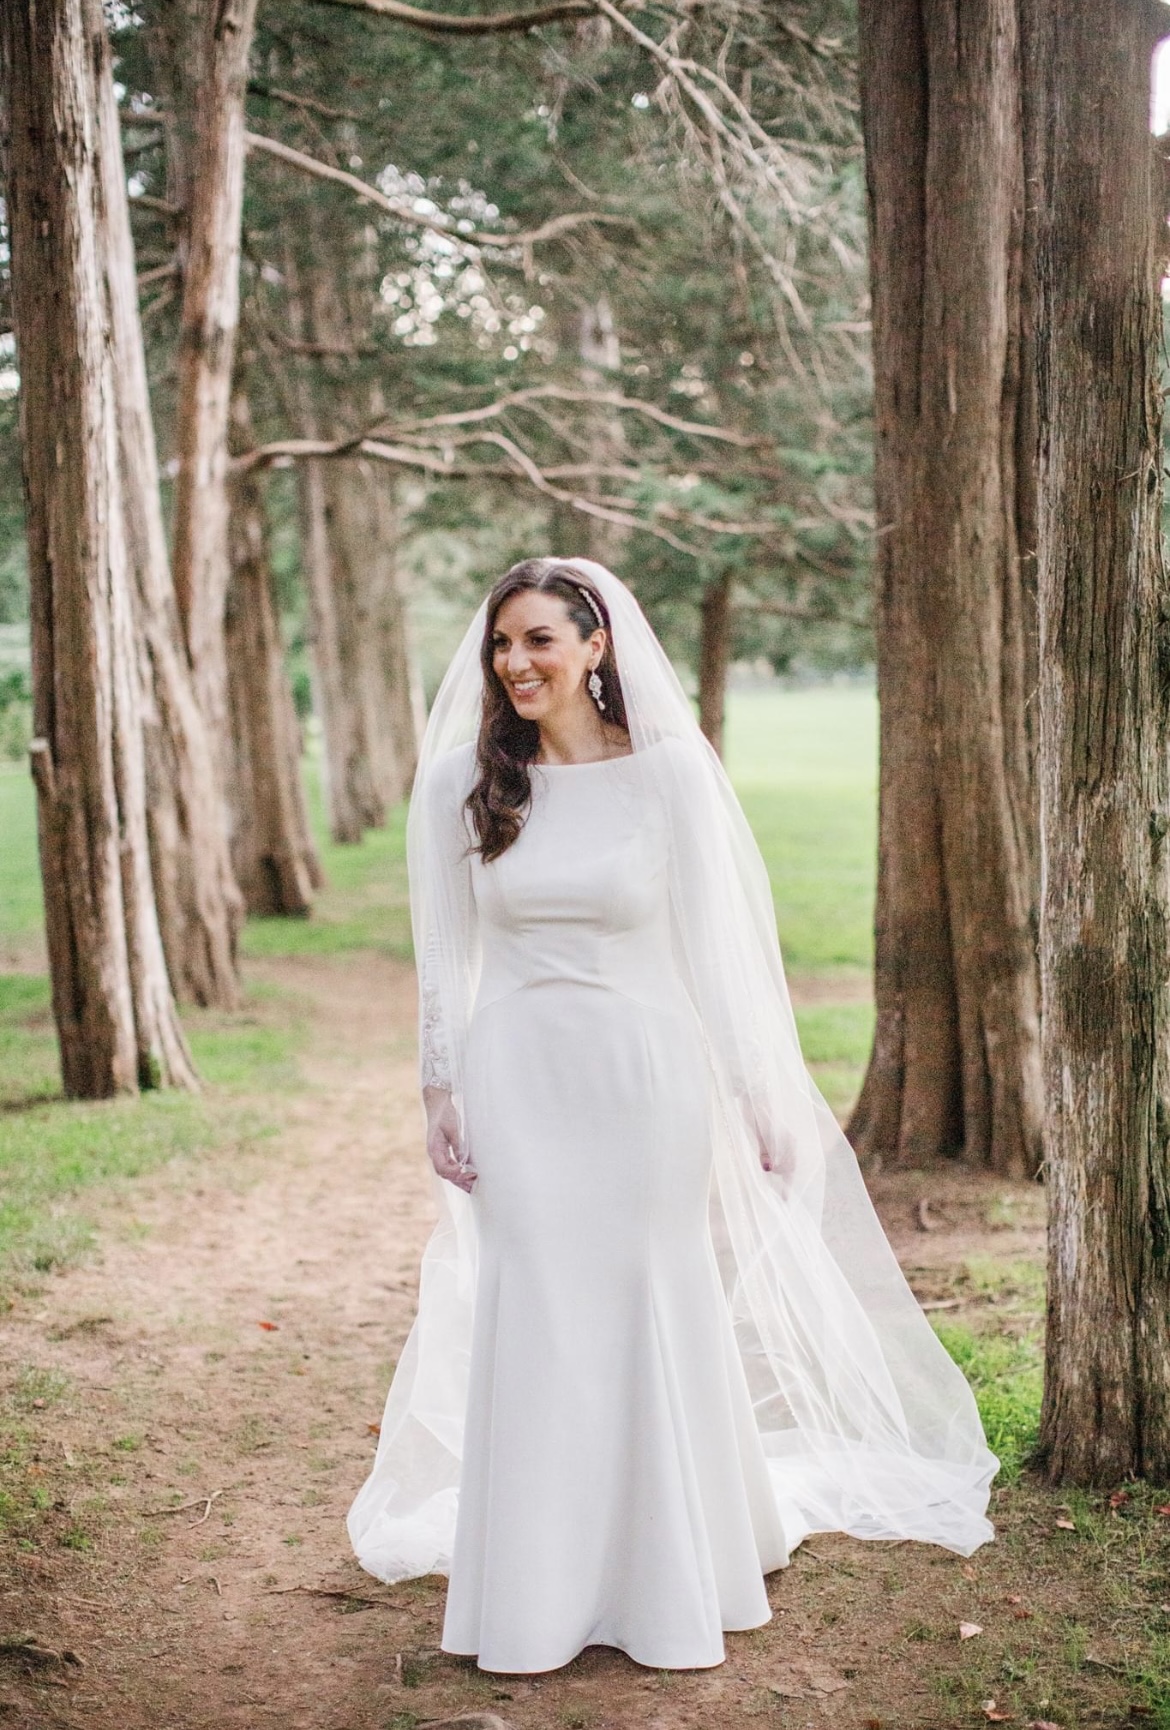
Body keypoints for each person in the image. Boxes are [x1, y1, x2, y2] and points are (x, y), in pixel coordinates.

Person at [347, 557, 996, 1675]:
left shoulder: (669, 775)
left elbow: (719, 946)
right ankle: (538, 1579)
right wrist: (438, 1090)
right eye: (504, 643)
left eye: (541, 639)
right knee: (539, 1299)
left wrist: (756, 1088)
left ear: (597, 646)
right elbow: (444, 957)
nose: (516, 663)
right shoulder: (464, 777)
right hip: (519, 1078)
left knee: (650, 1288)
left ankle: (673, 1555)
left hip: (644, 1075)